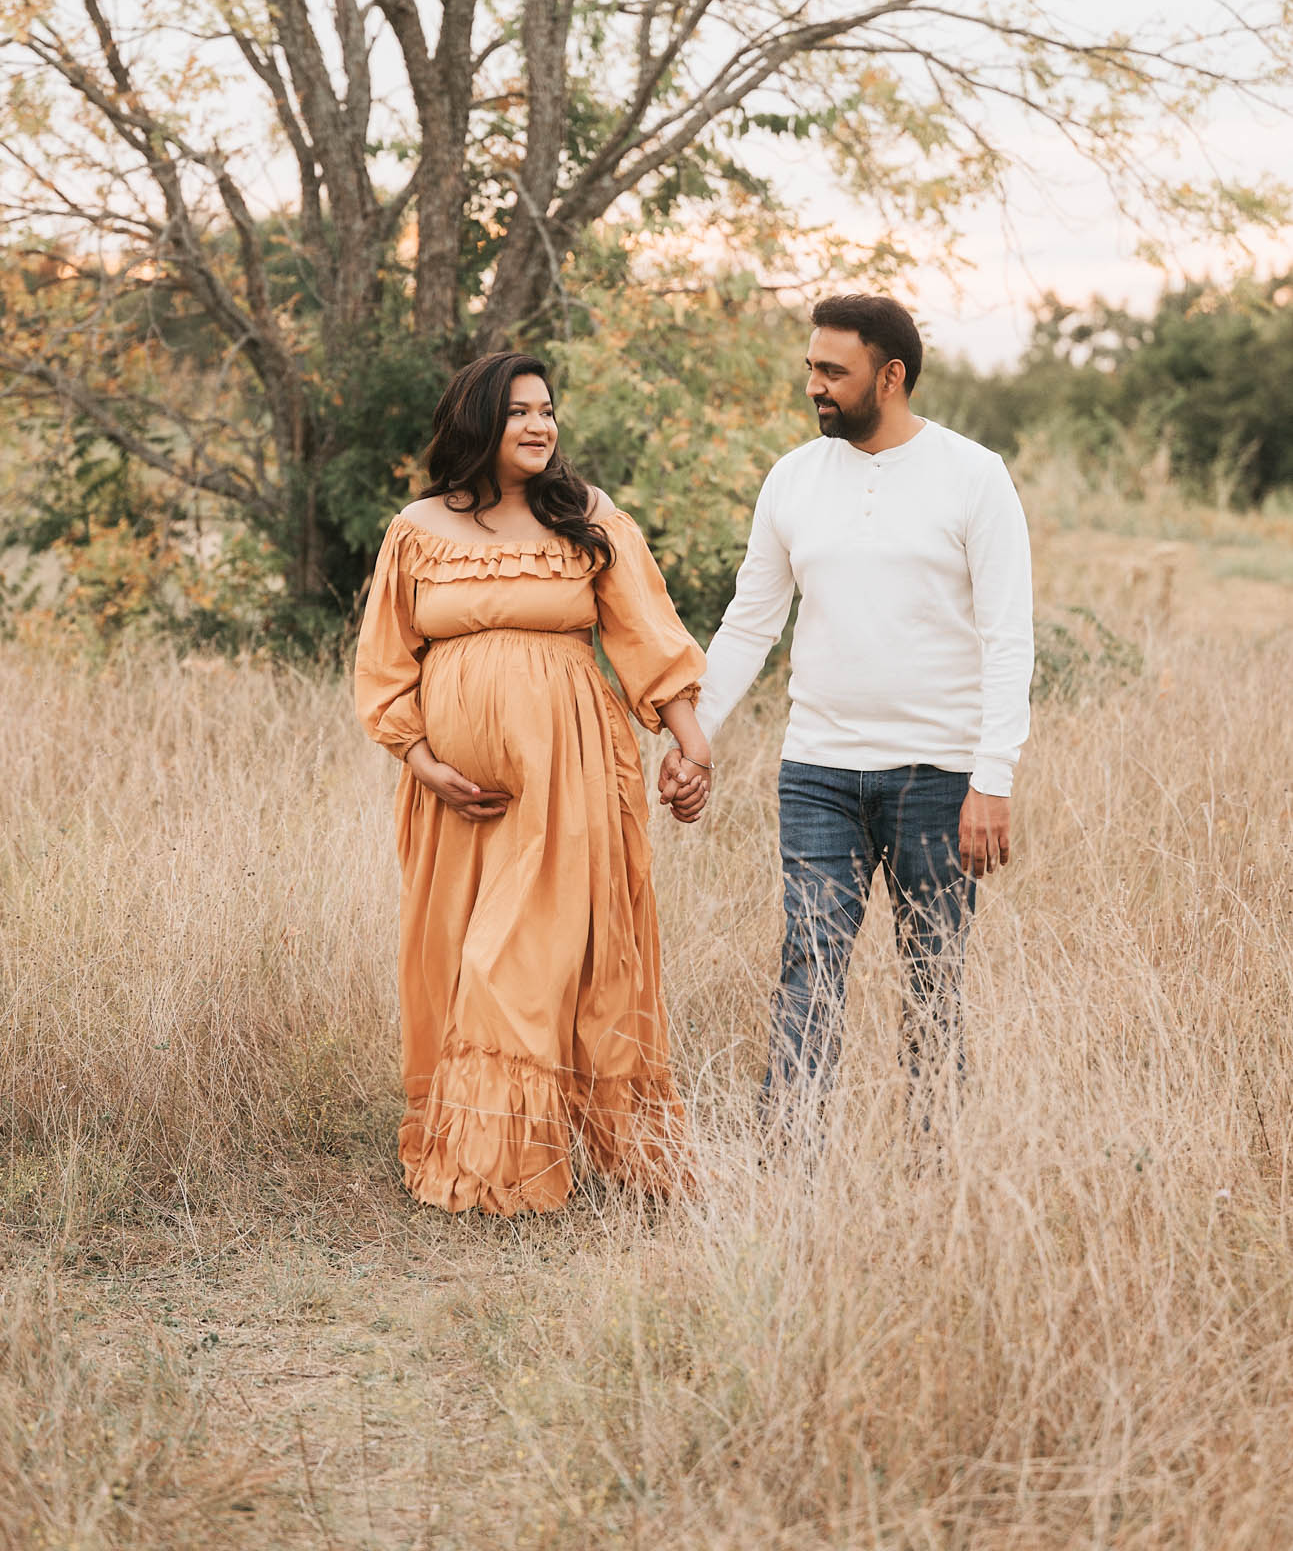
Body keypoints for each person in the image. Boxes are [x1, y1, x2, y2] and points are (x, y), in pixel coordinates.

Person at [661, 294, 1034, 1126]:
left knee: (933, 978)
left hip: (938, 777)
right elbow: (749, 622)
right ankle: (788, 1163)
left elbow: (1008, 636)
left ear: (889, 376)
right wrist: (694, 735)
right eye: (811, 368)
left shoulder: (973, 475)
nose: (814, 386)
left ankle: (935, 1168)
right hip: (817, 772)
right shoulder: (792, 478)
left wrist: (992, 778)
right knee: (809, 963)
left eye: (833, 371)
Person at [356, 352, 713, 1215]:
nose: (540, 425)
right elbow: (384, 664)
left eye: (547, 410)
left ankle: (510, 1166)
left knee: (519, 960)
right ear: (477, 419)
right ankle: (478, 1151)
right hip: (453, 799)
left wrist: (692, 747)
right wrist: (424, 762)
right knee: (455, 955)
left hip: (569, 777)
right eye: (519, 411)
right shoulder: (417, 528)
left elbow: (646, 636)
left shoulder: (586, 517)